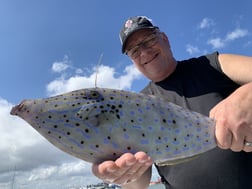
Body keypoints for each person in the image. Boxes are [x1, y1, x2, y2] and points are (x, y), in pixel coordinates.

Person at [92, 16, 252, 189]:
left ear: (165, 39)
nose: (144, 52)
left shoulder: (213, 64)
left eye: (148, 40)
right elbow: (138, 184)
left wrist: (247, 96)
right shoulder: (134, 106)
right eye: (133, 50)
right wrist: (123, 174)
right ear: (132, 59)